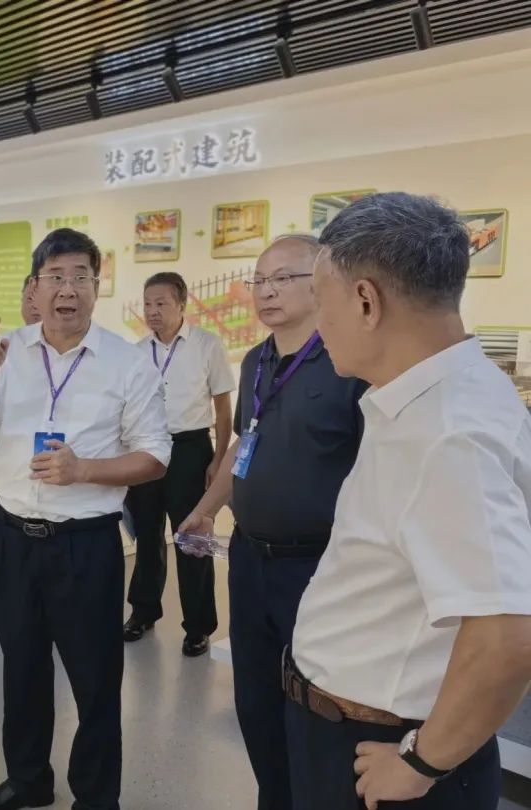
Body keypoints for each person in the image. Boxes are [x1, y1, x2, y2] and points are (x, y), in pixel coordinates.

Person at [283, 192, 531, 810]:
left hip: (385, 750)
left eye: (322, 302)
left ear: (366, 302)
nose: (318, 325)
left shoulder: (448, 434)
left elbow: (507, 637)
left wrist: (420, 763)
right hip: (358, 725)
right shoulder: (436, 394)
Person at [0, 228, 171, 810]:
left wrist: (84, 470)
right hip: (12, 539)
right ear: (35, 286)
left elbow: (155, 456)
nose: (67, 290)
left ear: (97, 286)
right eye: (55, 277)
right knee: (21, 669)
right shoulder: (5, 352)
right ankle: (28, 781)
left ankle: (96, 798)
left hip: (85, 545)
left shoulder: (127, 362)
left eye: (80, 277)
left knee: (95, 680)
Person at [177, 235, 366, 810]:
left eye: (283, 278)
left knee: (317, 711)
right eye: (259, 280)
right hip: (249, 560)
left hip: (318, 567)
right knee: (255, 703)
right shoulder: (257, 360)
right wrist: (206, 508)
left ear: (322, 283)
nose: (266, 291)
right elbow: (245, 443)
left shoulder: (350, 362)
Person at [121, 272, 235, 654]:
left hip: (190, 449)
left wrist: (218, 458)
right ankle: (143, 612)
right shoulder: (136, 352)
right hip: (147, 448)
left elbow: (223, 409)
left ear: (182, 305)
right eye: (147, 303)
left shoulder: (207, 345)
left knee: (191, 538)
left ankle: (199, 626)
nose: (152, 311)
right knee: (147, 534)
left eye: (161, 303)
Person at [0, 275, 41, 637]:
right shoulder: (6, 348)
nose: (34, 305)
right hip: (8, 455)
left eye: (39, 296)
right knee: (2, 541)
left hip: (54, 460)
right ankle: (1, 609)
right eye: (28, 298)